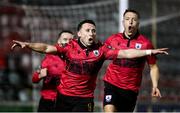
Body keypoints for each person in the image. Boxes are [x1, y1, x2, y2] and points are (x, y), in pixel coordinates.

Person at [11, 19, 168, 112]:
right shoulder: (69, 47)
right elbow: (46, 48)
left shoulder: (102, 50)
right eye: (87, 30)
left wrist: (149, 51)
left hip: (84, 99)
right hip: (63, 97)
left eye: (93, 30)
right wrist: (27, 44)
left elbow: (126, 53)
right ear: (79, 34)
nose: (92, 33)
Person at [103, 9, 164, 112]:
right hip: (112, 83)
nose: (130, 22)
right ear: (123, 22)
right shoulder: (112, 39)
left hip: (130, 89)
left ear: (138, 23)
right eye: (127, 19)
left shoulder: (146, 44)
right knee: (109, 109)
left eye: (133, 20)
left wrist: (155, 86)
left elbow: (153, 67)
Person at [32, 30, 74, 112]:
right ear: (59, 41)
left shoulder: (76, 58)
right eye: (65, 39)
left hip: (66, 101)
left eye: (71, 40)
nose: (68, 42)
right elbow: (34, 79)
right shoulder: (49, 58)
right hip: (48, 100)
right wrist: (40, 75)